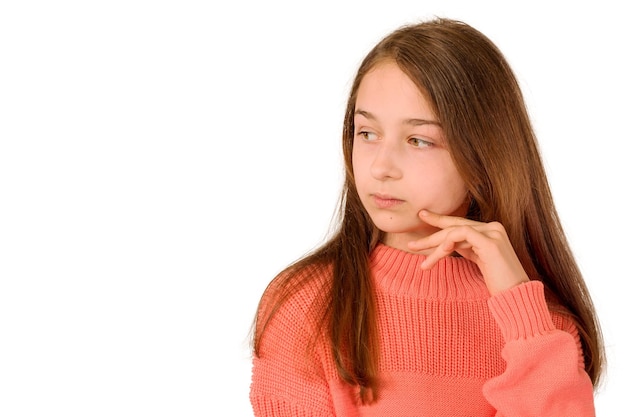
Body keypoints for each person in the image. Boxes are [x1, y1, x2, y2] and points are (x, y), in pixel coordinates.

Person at [249, 17, 605, 416]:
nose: (381, 166)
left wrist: (516, 302)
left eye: (419, 140)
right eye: (367, 133)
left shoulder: (538, 328)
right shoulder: (307, 304)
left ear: (484, 155)